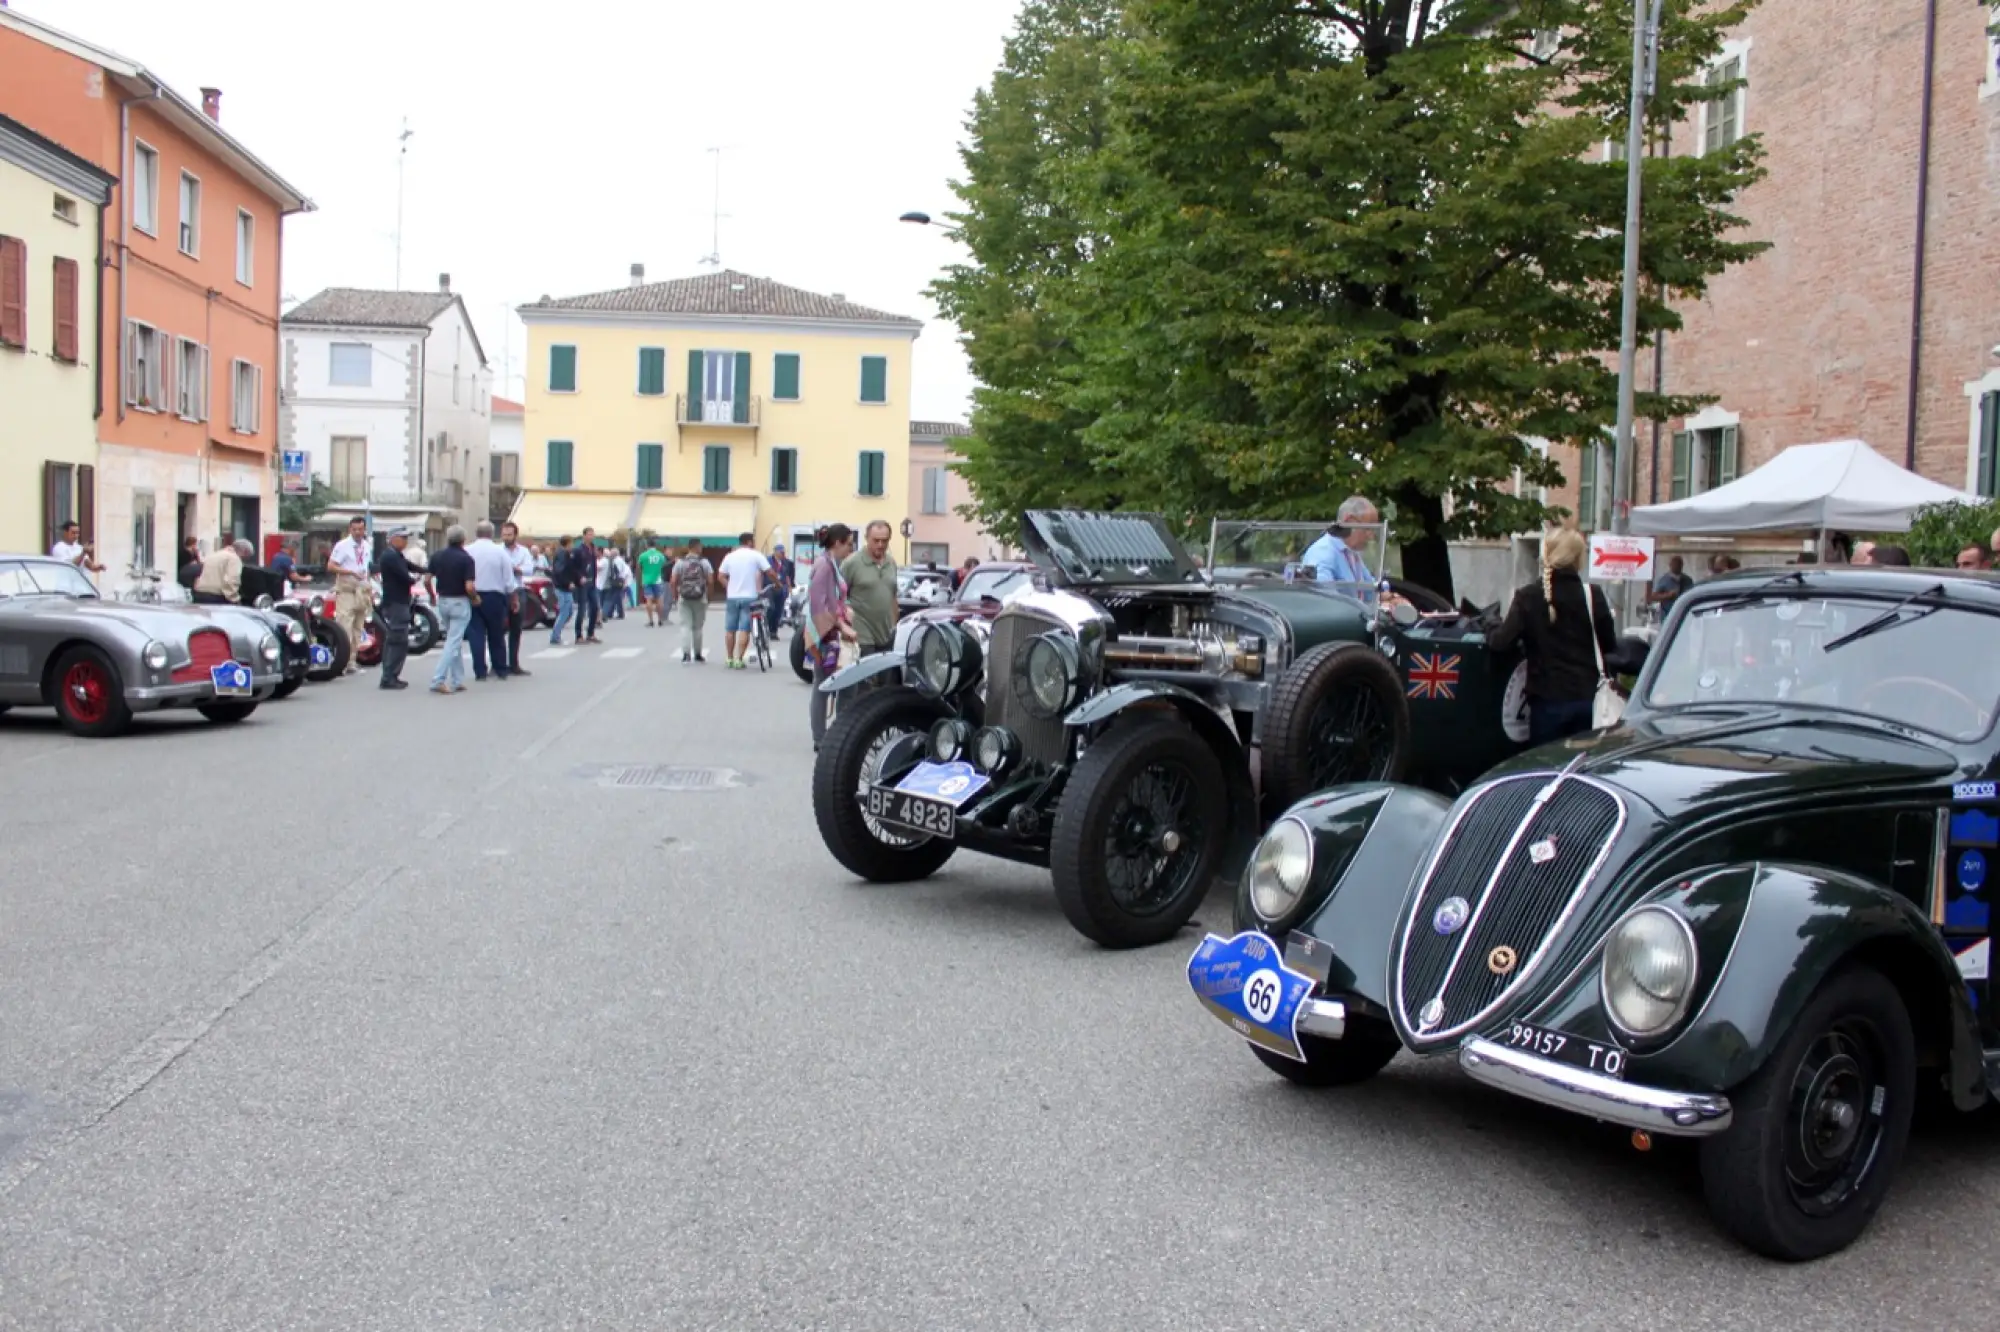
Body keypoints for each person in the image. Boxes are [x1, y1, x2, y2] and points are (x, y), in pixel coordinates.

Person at [1488, 527, 1620, 745]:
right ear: (1578, 558)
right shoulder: (1593, 595)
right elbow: (1610, 647)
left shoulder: (1528, 597)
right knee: (1582, 771)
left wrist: (1490, 623)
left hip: (1547, 704)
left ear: (1546, 555)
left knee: (1547, 770)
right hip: (1588, 702)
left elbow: (1500, 642)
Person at [807, 524, 859, 748]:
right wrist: (841, 625)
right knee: (828, 685)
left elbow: (832, 600)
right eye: (848, 543)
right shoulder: (825, 566)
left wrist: (844, 609)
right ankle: (825, 738)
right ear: (837, 543)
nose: (851, 548)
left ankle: (831, 735)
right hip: (825, 634)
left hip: (828, 631)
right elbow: (819, 604)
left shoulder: (830, 564)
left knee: (833, 684)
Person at [1300, 496, 1382, 598]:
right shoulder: (1322, 554)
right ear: (1349, 521)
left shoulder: (1351, 553)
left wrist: (1394, 598)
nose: (1371, 536)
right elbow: (1325, 599)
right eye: (1368, 529)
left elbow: (1371, 589)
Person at [842, 519, 899, 659]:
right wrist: (844, 626)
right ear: (867, 538)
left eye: (884, 541)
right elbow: (839, 597)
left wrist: (895, 626)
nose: (880, 545)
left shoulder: (891, 563)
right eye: (876, 540)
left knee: (886, 678)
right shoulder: (851, 563)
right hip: (861, 633)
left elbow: (893, 596)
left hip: (885, 633)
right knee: (867, 677)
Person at [465, 520, 515, 681]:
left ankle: (480, 671)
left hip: (473, 594)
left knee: (476, 633)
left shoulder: (467, 551)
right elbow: (508, 579)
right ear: (492, 534)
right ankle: (500, 668)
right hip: (495, 596)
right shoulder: (500, 552)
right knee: (496, 634)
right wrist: (513, 598)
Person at [428, 525, 475, 694]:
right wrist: (475, 598)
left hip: (443, 600)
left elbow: (427, 579)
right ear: (463, 540)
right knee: (453, 642)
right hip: (459, 601)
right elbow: (469, 586)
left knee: (453, 639)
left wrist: (432, 595)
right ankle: (438, 679)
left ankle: (457, 679)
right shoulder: (466, 559)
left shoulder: (437, 556)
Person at [718, 532, 772, 669]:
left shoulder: (729, 556)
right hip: (750, 597)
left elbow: (721, 576)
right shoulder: (756, 555)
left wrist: (729, 587)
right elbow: (769, 572)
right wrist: (777, 583)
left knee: (730, 629)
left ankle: (729, 658)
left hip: (732, 597)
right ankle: (739, 659)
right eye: (753, 540)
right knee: (744, 629)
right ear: (749, 542)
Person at [327, 516, 373, 676]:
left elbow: (366, 567)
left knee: (358, 627)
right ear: (349, 530)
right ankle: (342, 662)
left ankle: (352, 661)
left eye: (360, 529)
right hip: (347, 588)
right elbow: (331, 566)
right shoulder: (342, 546)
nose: (358, 532)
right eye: (354, 529)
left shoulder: (367, 545)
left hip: (362, 589)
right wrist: (350, 571)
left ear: (364, 529)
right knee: (344, 625)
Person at [375, 526, 415, 691]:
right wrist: (414, 578)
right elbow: (405, 576)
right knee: (397, 640)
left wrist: (429, 570)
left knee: (397, 639)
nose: (405, 541)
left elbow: (410, 566)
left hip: (399, 601)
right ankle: (389, 676)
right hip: (396, 602)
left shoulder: (396, 555)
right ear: (392, 539)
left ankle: (391, 675)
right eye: (402, 537)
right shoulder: (390, 556)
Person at [670, 540, 712, 664]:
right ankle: (698, 654)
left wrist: (675, 596)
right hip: (700, 597)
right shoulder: (704, 562)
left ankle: (686, 655)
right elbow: (710, 580)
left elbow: (673, 581)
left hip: (684, 597)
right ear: (697, 547)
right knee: (698, 627)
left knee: (685, 626)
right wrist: (709, 597)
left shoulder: (680, 563)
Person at [501, 522, 535, 676]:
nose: (506, 537)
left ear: (515, 535)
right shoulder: (497, 550)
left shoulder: (524, 551)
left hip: (518, 590)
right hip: (501, 592)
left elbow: (529, 569)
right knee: (498, 630)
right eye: (504, 534)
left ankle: (514, 664)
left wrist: (516, 568)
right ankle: (498, 664)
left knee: (516, 629)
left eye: (509, 534)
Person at [192, 539, 251, 604]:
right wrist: (234, 599)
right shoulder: (234, 559)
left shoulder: (214, 555)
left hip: (200, 594)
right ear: (244, 551)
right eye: (247, 556)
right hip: (216, 597)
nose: (245, 560)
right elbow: (231, 580)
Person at [548, 535, 580, 645]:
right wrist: (568, 582)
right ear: (568, 543)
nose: (573, 546)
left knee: (569, 611)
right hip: (562, 587)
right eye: (572, 543)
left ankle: (556, 634)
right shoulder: (562, 554)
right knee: (565, 611)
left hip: (564, 587)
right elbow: (560, 570)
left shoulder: (564, 553)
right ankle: (555, 636)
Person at [574, 528, 603, 643]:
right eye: (589, 534)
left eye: (593, 534)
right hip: (582, 582)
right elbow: (574, 567)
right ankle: (578, 635)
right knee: (582, 609)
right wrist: (579, 577)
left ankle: (591, 633)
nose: (591, 536)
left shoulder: (593, 548)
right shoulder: (579, 550)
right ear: (584, 536)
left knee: (595, 607)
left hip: (592, 582)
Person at [1645, 555, 1692, 619]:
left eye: (1679, 564)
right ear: (1670, 565)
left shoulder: (1688, 580)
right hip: (1667, 615)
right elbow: (1653, 597)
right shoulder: (1664, 580)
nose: (1677, 566)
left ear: (1682, 566)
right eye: (1674, 564)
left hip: (1684, 615)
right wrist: (1668, 595)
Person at [637, 538, 668, 626]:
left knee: (648, 599)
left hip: (647, 579)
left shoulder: (643, 555)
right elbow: (663, 565)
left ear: (647, 545)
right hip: (657, 579)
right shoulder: (660, 555)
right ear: (655, 545)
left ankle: (651, 621)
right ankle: (660, 620)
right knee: (659, 600)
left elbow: (639, 567)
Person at [765, 542, 795, 629]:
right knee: (771, 607)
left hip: (781, 587)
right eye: (781, 552)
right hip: (770, 587)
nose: (783, 554)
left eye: (783, 552)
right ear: (775, 552)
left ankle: (774, 630)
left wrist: (789, 587)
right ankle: (768, 625)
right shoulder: (768, 560)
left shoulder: (785, 562)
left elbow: (787, 576)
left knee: (779, 609)